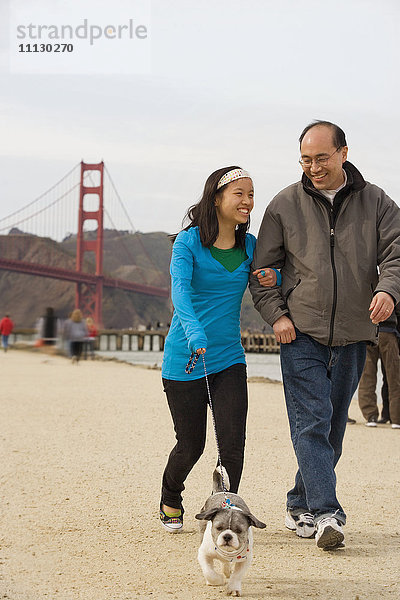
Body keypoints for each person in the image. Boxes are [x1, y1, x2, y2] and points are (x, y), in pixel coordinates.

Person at [250, 121, 400, 549]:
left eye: (321, 157)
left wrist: (388, 289)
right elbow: (262, 273)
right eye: (305, 159)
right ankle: (326, 513)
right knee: (311, 421)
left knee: (332, 427)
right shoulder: (283, 205)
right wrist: (278, 315)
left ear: (343, 153)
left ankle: (299, 503)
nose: (313, 167)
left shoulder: (377, 202)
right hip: (300, 332)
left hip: (355, 332)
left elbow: (397, 251)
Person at [159, 166, 279, 533]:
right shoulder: (188, 242)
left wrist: (275, 277)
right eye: (239, 194)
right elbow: (180, 292)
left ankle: (225, 513)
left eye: (251, 194)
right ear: (217, 199)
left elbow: (272, 279)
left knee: (233, 445)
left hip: (228, 358)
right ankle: (170, 496)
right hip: (186, 356)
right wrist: (194, 333)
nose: (248, 202)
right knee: (191, 443)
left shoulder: (251, 245)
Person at [358, 310, 400, 429]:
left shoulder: (364, 290)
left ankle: (371, 415)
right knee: (394, 377)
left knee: (367, 376)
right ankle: (396, 418)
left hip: (368, 332)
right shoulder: (390, 290)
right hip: (388, 332)